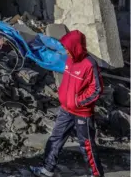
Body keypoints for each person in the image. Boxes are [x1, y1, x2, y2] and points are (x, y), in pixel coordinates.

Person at [30, 30, 105, 177]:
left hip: (82, 113)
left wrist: (78, 102)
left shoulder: (89, 64)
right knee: (55, 139)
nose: (66, 51)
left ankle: (96, 174)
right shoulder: (69, 60)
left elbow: (96, 89)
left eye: (68, 48)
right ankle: (47, 170)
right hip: (65, 110)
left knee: (87, 146)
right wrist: (64, 96)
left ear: (76, 47)